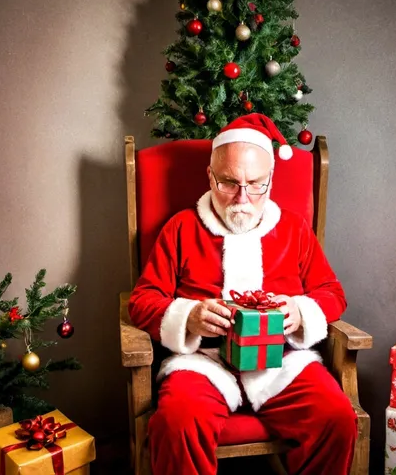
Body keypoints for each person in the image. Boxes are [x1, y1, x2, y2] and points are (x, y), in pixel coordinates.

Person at [128, 113, 357, 475]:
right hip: (204, 363)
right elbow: (141, 301)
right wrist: (188, 316)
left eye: (256, 184)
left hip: (282, 364)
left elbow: (332, 294)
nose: (242, 197)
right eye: (229, 183)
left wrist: (300, 311)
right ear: (210, 176)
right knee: (177, 424)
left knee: (337, 419)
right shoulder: (182, 227)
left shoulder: (294, 229)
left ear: (271, 178)